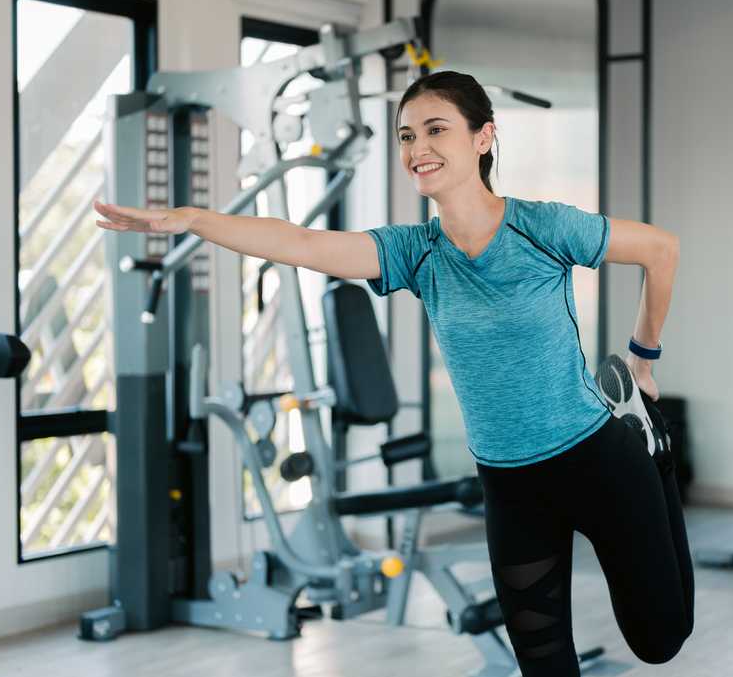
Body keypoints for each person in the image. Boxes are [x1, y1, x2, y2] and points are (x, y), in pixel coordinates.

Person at [94, 70, 693, 676]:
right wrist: (197, 220)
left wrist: (643, 356)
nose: (417, 149)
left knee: (659, 640)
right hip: (511, 485)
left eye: (436, 130)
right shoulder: (416, 251)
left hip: (596, 458)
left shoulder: (542, 227)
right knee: (543, 667)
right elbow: (300, 243)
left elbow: (660, 250)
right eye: (407, 136)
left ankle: (654, 448)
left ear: (484, 138)